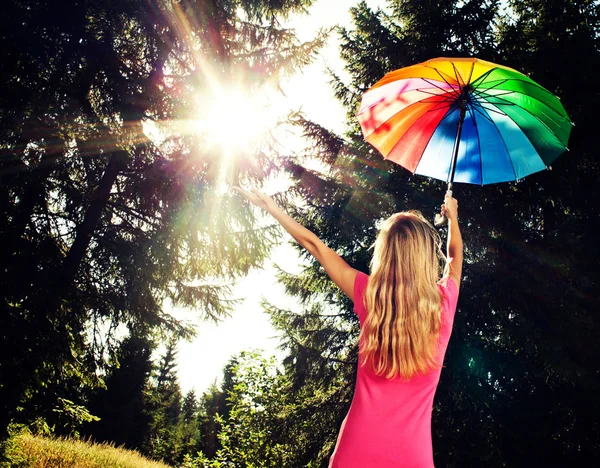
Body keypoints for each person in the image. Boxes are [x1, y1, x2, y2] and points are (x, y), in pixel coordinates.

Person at [235, 187, 462, 468]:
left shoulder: (369, 295)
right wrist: (453, 217)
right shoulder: (443, 304)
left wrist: (272, 207)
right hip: (412, 458)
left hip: (356, 450)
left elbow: (316, 246)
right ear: (424, 255)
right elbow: (453, 259)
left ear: (387, 253)